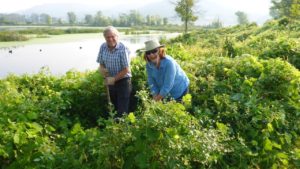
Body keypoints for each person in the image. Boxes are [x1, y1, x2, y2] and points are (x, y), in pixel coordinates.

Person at [97, 26, 132, 118]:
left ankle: (123, 129)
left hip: (123, 81)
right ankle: (114, 128)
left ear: (117, 36)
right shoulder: (103, 47)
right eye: (108, 37)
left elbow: (126, 69)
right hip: (110, 81)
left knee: (122, 110)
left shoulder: (122, 48)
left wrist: (113, 79)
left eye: (113, 36)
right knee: (113, 107)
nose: (110, 39)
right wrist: (102, 70)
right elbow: (101, 64)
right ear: (105, 38)